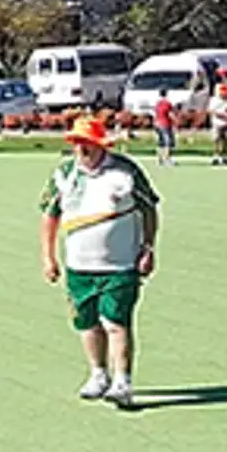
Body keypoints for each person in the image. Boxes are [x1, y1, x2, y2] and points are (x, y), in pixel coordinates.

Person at [40, 113, 161, 411]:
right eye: (77, 144)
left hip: (119, 265)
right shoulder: (64, 174)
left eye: (87, 144)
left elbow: (149, 210)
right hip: (79, 265)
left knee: (116, 322)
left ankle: (123, 382)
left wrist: (148, 248)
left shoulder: (125, 172)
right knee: (86, 322)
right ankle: (98, 374)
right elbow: (49, 215)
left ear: (100, 144)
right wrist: (48, 256)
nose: (81, 150)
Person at [209, 82, 227, 165]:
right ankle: (216, 157)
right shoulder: (214, 100)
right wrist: (223, 115)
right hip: (217, 123)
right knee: (216, 140)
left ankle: (224, 157)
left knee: (226, 141)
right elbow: (211, 111)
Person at [153, 95, 178, 166]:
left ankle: (159, 159)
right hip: (165, 124)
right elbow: (170, 114)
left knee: (160, 142)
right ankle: (167, 159)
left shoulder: (157, 104)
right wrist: (176, 121)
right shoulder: (167, 103)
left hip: (157, 124)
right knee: (168, 142)